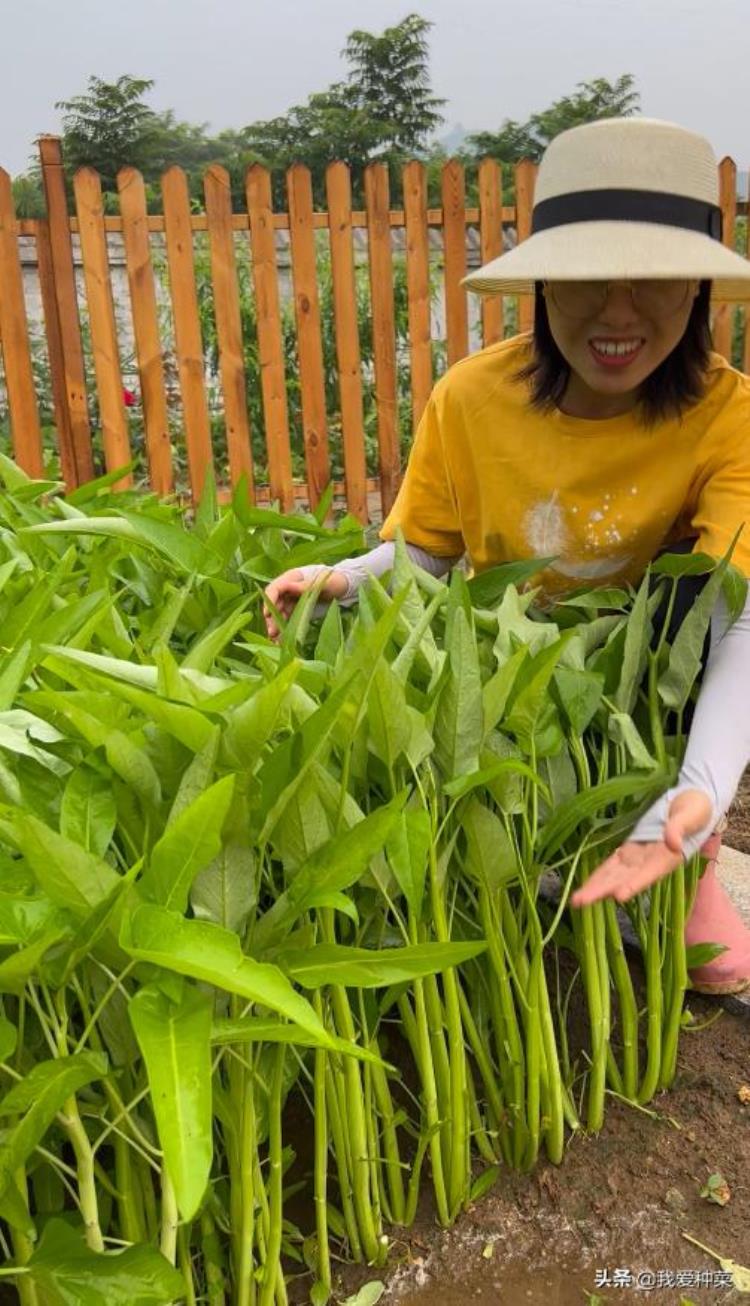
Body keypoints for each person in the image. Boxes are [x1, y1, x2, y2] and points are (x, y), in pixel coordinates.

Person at [263, 117, 750, 994]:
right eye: (586, 278)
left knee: (685, 635)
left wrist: (704, 791)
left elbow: (735, 616)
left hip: (649, 698)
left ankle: (689, 868)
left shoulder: (729, 415)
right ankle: (539, 842)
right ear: (540, 283)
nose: (618, 312)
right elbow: (428, 556)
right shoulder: (471, 399)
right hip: (511, 692)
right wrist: (343, 580)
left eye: (655, 279)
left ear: (700, 288)